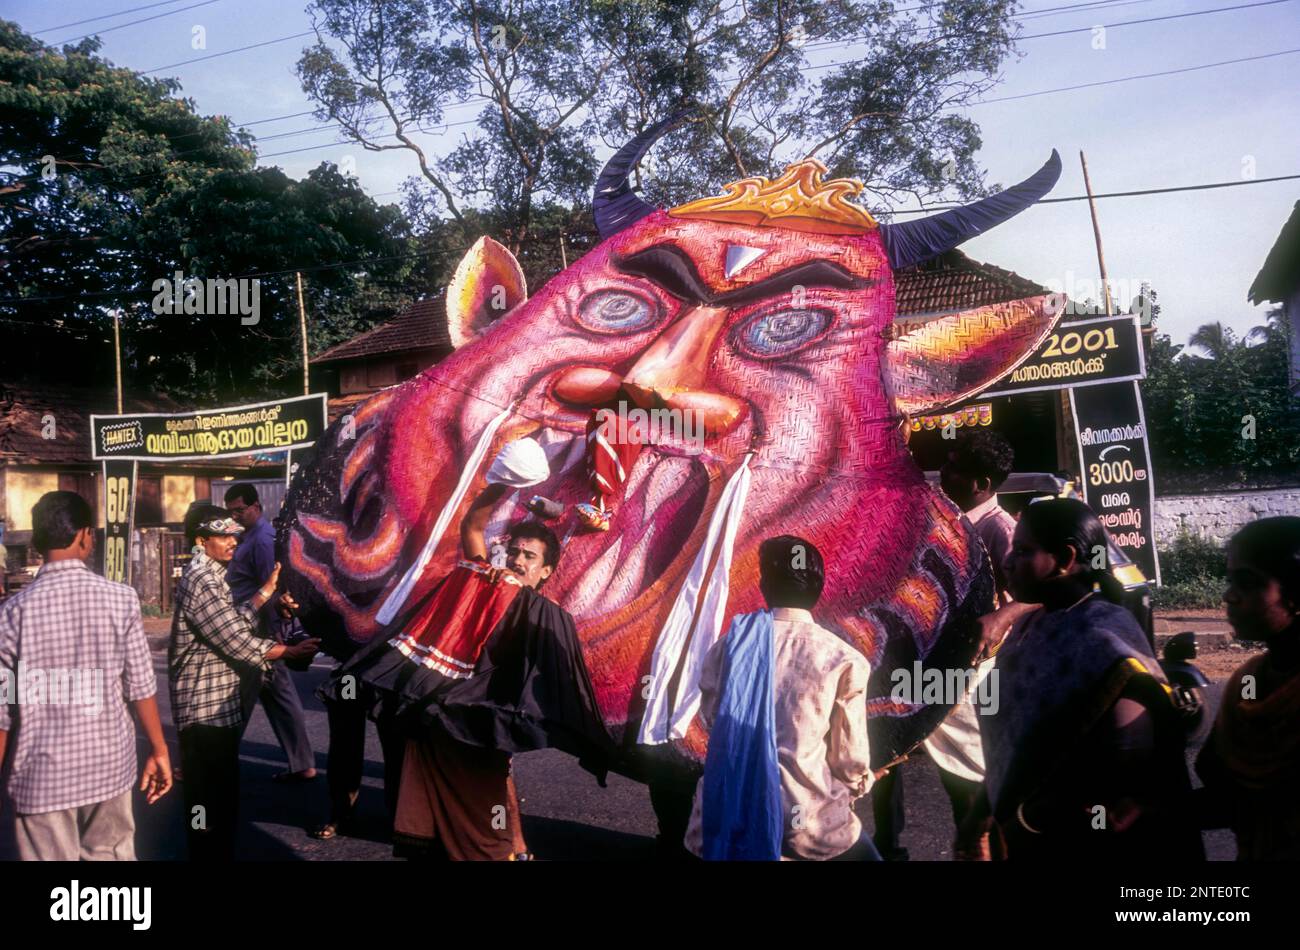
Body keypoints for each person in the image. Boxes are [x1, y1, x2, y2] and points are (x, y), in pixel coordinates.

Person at [325, 438, 611, 860]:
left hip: (480, 737)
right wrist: (502, 484)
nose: (515, 560)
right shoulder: (477, 581)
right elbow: (472, 526)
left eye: (527, 557)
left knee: (488, 829)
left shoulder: (543, 618)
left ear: (546, 572)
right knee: (435, 834)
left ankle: (511, 849)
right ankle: (513, 848)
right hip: (436, 726)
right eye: (512, 550)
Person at [979, 498, 1203, 861]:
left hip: (1077, 838)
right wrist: (984, 811)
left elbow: (1127, 753)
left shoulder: (1101, 632)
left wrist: (1033, 814)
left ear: (1066, 559)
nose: (1008, 561)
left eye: (1023, 551)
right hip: (1024, 829)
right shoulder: (1032, 623)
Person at [0, 491, 171, 860]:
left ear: (37, 541)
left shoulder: (12, 614)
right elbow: (141, 685)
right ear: (83, 535)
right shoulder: (120, 599)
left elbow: (2, 712)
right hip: (107, 766)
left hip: (40, 777)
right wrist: (159, 750)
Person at [685, 535, 879, 861]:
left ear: (764, 585)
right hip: (810, 823)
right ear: (818, 588)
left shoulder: (729, 646)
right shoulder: (843, 659)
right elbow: (848, 759)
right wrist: (864, 781)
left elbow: (714, 718)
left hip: (725, 812)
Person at [168, 504, 318, 860]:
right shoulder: (201, 579)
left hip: (217, 708)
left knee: (219, 800)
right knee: (205, 804)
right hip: (203, 711)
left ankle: (210, 851)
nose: (232, 541)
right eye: (222, 535)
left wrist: (265, 593)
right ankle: (204, 853)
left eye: (233, 534)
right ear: (201, 540)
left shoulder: (213, 574)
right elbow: (235, 639)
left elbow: (232, 620)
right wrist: (289, 652)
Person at [925, 428, 1019, 859]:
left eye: (955, 467)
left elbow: (1038, 593)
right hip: (945, 668)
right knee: (957, 784)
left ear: (981, 484)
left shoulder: (1001, 530)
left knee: (981, 784)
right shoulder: (944, 520)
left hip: (982, 679)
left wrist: (1003, 615)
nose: (944, 472)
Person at [1195, 516, 1300, 860]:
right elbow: (1228, 796)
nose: (1229, 596)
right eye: (1230, 581)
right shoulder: (1249, 681)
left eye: (1248, 583)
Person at [223, 484, 315, 783]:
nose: (235, 516)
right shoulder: (246, 537)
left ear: (256, 507)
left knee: (235, 698)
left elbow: (272, 587)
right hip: (250, 627)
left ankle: (213, 760)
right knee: (275, 698)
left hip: (258, 630)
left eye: (240, 510)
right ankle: (302, 764)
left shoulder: (262, 540)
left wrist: (275, 633)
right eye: (231, 511)